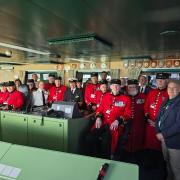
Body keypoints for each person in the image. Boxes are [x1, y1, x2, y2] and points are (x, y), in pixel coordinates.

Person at [86, 79, 131, 159]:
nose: (115, 87)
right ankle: (94, 156)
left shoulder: (126, 99)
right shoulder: (106, 96)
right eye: (113, 85)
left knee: (106, 142)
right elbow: (100, 109)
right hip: (104, 122)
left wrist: (118, 120)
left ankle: (105, 159)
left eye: (117, 86)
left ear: (120, 87)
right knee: (90, 137)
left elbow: (128, 114)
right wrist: (98, 118)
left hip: (115, 125)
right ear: (110, 87)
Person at [144, 72, 169, 168]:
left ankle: (160, 165)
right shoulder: (152, 92)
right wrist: (147, 116)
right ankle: (149, 163)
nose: (160, 82)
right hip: (150, 125)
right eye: (158, 80)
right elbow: (146, 106)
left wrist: (158, 123)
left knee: (160, 147)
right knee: (149, 144)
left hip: (161, 126)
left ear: (166, 81)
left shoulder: (169, 93)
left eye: (162, 80)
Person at [156, 79, 180, 180]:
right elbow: (159, 118)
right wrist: (157, 130)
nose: (171, 89)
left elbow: (178, 125)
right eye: (169, 87)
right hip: (164, 140)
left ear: (179, 89)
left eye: (175, 88)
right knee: (168, 164)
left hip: (175, 142)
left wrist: (163, 134)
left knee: (176, 169)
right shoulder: (166, 101)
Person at [123, 79, 146, 163]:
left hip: (139, 123)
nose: (132, 88)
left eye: (134, 87)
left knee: (138, 139)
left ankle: (137, 156)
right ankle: (127, 155)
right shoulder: (124, 97)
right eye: (130, 87)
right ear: (127, 88)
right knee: (126, 139)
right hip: (127, 123)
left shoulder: (143, 97)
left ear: (137, 87)